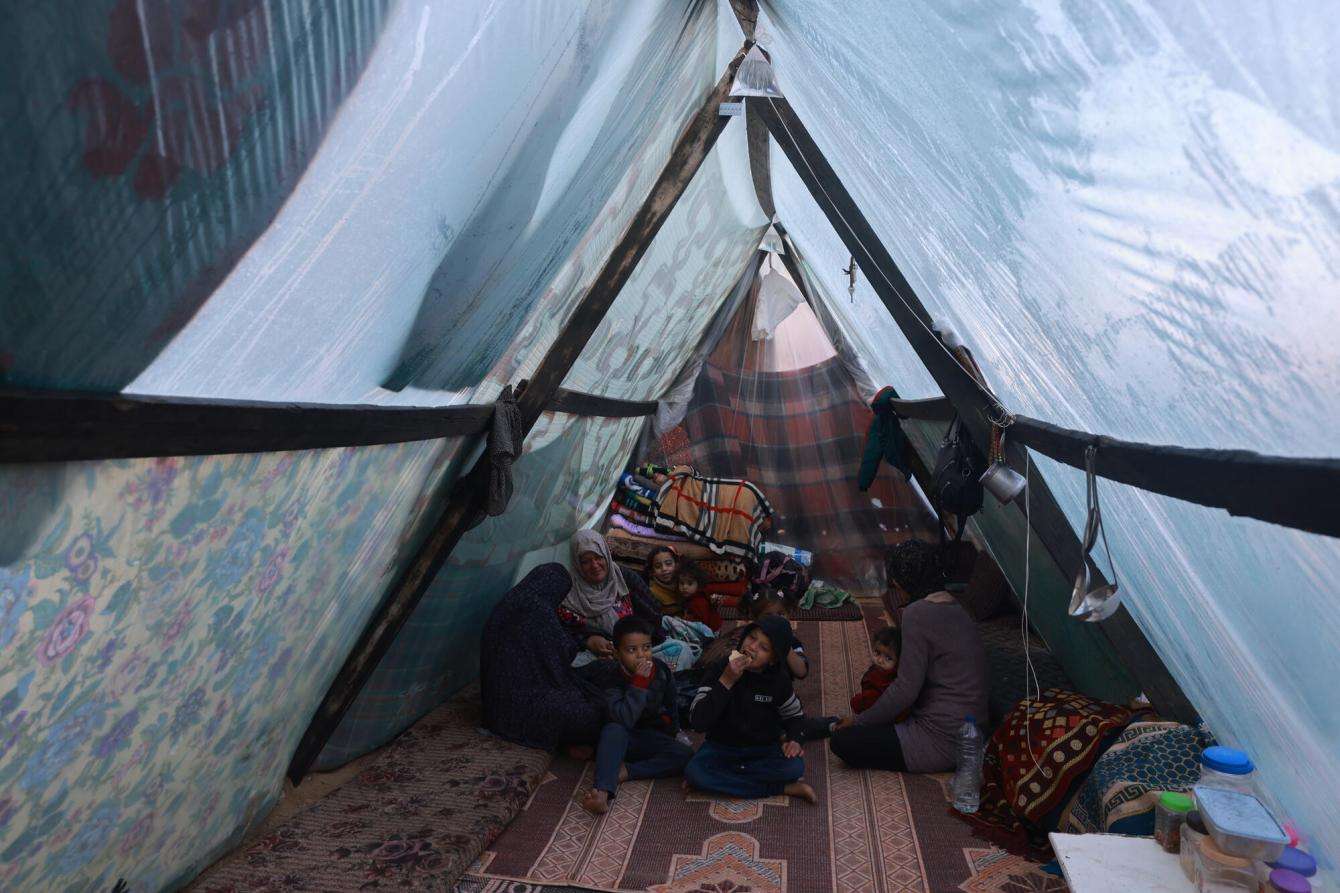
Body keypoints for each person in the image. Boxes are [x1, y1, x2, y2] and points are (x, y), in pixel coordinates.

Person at [829, 539, 989, 772]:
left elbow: (906, 689)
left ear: (905, 583)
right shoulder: (956, 606)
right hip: (972, 730)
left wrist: (859, 721)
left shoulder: (917, 613)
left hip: (942, 740)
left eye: (897, 585)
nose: (898, 592)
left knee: (843, 741)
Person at [684, 614, 817, 803]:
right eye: (751, 637)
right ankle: (783, 788)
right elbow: (698, 721)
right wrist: (726, 681)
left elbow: (796, 717)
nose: (752, 647)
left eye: (764, 648)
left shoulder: (778, 680)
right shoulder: (721, 667)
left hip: (763, 750)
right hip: (721, 748)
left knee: (795, 767)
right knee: (694, 772)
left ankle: (722, 781)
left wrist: (795, 740)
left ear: (772, 659)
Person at [580, 617, 693, 814]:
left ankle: (626, 771)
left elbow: (671, 704)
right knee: (613, 730)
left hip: (650, 737)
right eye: (632, 650)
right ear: (617, 653)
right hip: (623, 737)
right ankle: (603, 791)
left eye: (646, 648)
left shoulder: (661, 670)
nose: (641, 655)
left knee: (685, 755)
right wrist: (638, 684)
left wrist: (672, 732)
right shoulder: (612, 677)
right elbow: (624, 718)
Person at [558, 529, 664, 660]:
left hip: (643, 648)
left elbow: (654, 614)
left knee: (679, 650)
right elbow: (565, 634)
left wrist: (635, 643)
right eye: (586, 561)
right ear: (576, 564)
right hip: (603, 659)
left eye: (599, 557)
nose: (594, 565)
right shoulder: (569, 594)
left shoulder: (624, 577)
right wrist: (588, 641)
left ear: (606, 555)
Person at [850, 626, 906, 718]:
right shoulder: (880, 671)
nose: (880, 660)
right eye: (877, 653)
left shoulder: (886, 680)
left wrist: (856, 701)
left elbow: (870, 700)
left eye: (888, 658)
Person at [676, 560, 722, 631]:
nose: (684, 587)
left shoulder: (699, 601)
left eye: (690, 583)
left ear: (698, 584)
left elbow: (703, 623)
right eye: (682, 583)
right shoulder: (690, 598)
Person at [644, 546, 683, 616]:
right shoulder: (652, 593)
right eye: (658, 566)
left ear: (677, 565)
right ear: (652, 571)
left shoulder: (685, 582)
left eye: (668, 564)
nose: (664, 569)